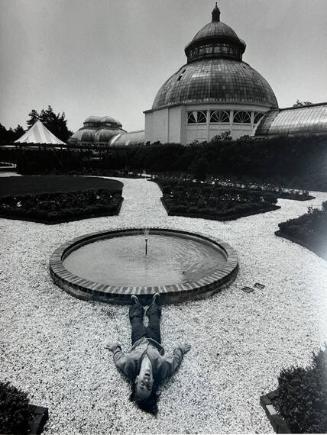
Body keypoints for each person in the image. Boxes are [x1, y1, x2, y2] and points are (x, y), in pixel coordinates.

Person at [106, 293, 191, 415]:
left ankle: (136, 304)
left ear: (136, 379)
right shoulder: (162, 368)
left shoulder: (129, 365)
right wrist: (181, 349)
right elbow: (175, 361)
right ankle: (154, 303)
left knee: (136, 321)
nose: (146, 381)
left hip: (138, 340)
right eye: (149, 386)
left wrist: (115, 348)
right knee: (154, 320)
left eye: (142, 385)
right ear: (153, 382)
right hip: (154, 340)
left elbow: (119, 360)